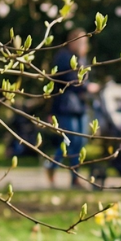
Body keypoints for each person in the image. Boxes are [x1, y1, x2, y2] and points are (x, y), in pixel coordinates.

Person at [47, 27, 98, 188]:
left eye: (85, 42)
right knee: (70, 140)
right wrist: (85, 87)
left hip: (80, 107)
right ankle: (56, 167)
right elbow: (68, 81)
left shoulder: (81, 59)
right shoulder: (63, 58)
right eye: (80, 42)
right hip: (66, 106)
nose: (83, 45)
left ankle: (73, 175)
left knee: (80, 141)